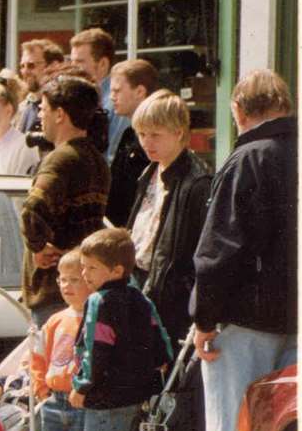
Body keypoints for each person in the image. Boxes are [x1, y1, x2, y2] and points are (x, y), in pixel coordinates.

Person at [177, 69, 297, 431]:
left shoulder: (247, 159)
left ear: (240, 111)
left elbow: (219, 251)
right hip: (295, 318)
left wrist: (204, 319)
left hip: (243, 319)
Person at [67, 227, 174, 431]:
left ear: (116, 270)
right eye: (83, 268)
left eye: (92, 269)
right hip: (137, 396)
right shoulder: (141, 299)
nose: (85, 275)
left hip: (105, 398)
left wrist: (83, 386)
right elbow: (163, 346)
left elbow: (95, 351)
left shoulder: (100, 301)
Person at [21, 74, 110, 324]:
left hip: (54, 287)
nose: (40, 116)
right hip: (85, 283)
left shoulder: (61, 159)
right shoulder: (96, 159)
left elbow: (32, 210)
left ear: (60, 114)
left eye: (44, 109)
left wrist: (37, 246)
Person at [123, 89, 210, 345]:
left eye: (155, 135)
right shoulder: (149, 172)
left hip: (167, 299)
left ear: (179, 133)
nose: (147, 142)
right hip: (139, 282)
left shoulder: (197, 182)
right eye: (142, 134)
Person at [28, 250, 91, 431]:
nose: (67, 286)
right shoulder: (55, 320)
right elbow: (38, 357)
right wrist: (41, 389)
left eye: (75, 280)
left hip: (82, 404)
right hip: (54, 402)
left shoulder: (94, 316)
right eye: (62, 279)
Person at [104, 58, 156, 228]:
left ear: (140, 91)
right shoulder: (128, 135)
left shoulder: (152, 141)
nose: (112, 97)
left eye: (117, 91)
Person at [70, 28, 128, 158]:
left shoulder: (115, 102)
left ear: (103, 64)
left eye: (79, 62)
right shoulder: (80, 97)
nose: (73, 68)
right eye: (72, 62)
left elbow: (113, 154)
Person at [15, 39, 67, 134]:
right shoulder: (27, 105)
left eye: (31, 65)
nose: (25, 72)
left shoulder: (62, 104)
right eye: (22, 66)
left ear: (54, 66)